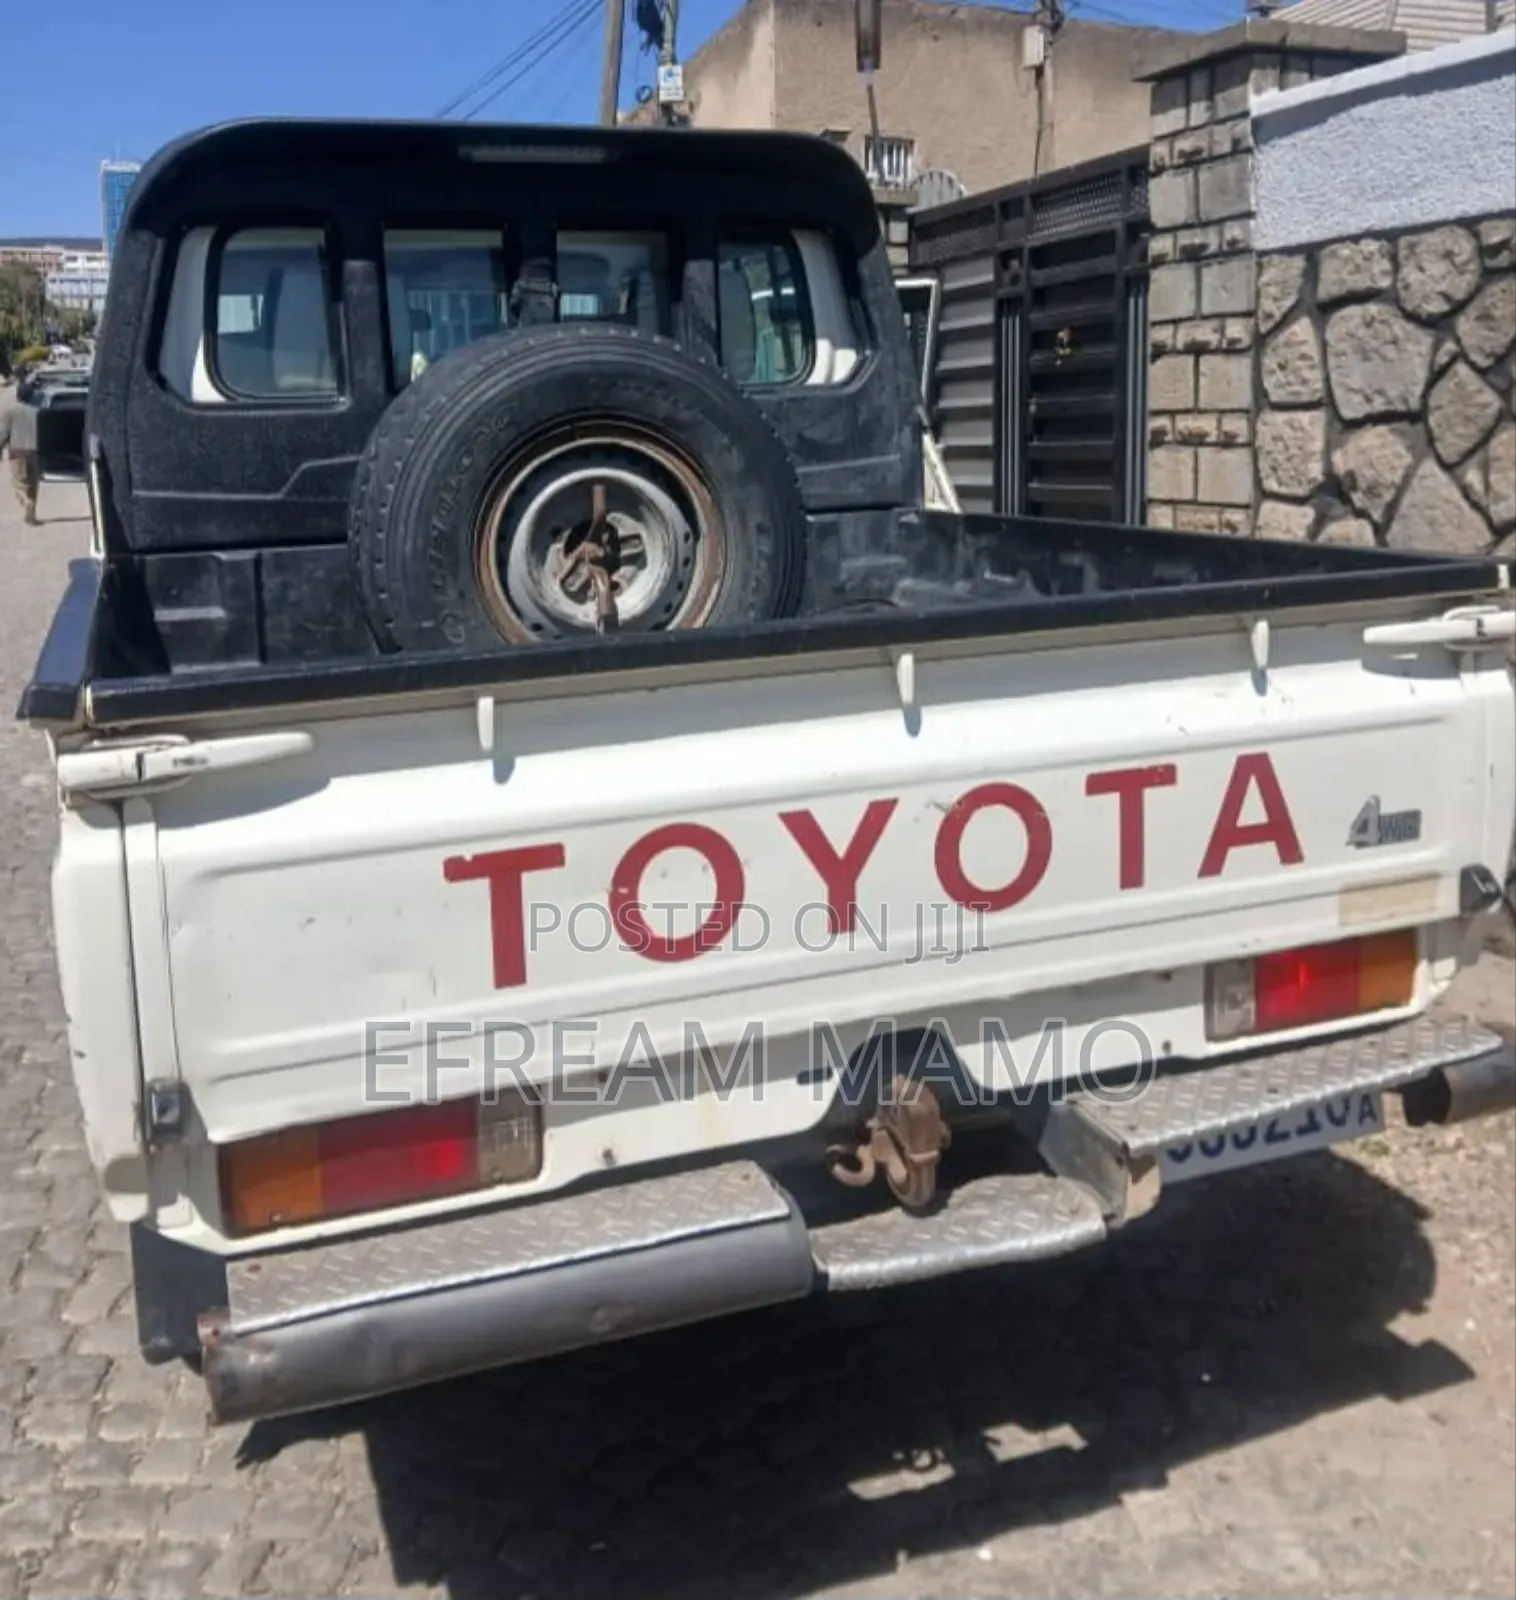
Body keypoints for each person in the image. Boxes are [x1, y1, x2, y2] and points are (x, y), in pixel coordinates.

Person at [0, 368, 41, 525]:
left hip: (17, 451)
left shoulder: (11, 411)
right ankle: (32, 514)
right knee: (33, 483)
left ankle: (26, 503)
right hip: (34, 450)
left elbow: (3, 432)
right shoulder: (37, 411)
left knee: (19, 483)